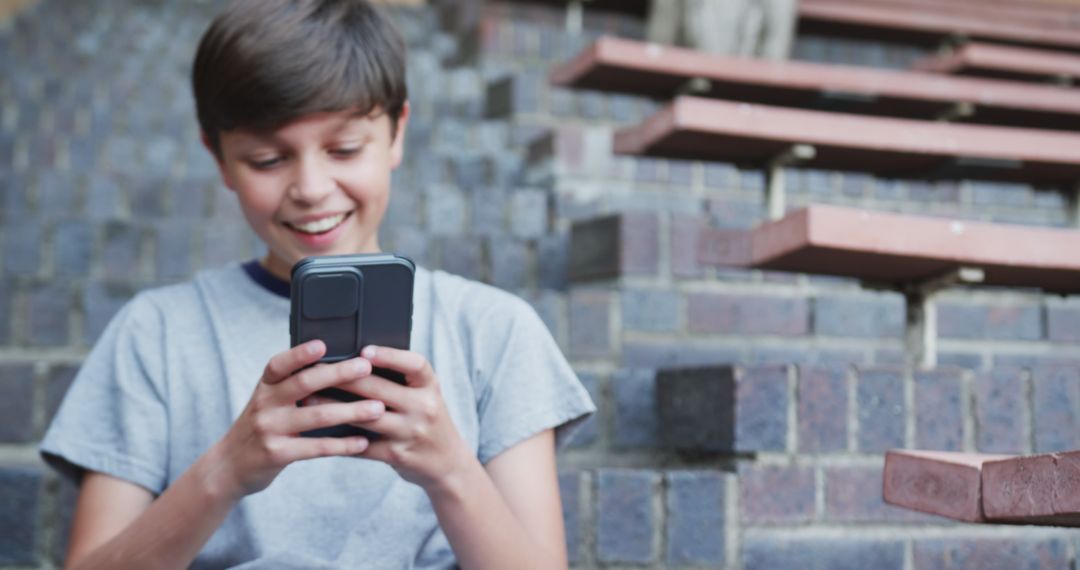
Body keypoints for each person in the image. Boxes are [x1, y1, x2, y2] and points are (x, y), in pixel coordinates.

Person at [39, 1, 595, 568]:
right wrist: (225, 470)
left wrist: (450, 469)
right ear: (219, 159)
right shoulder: (153, 332)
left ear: (397, 132)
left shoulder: (495, 330)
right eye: (267, 158)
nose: (311, 187)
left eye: (344, 149)